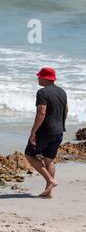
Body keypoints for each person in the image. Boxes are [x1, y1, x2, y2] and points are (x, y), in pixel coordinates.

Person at [26, 66, 68, 199]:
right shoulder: (62, 92)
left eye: (39, 76)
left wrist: (33, 132)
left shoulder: (42, 93)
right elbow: (66, 110)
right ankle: (48, 191)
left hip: (45, 131)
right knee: (49, 160)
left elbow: (41, 112)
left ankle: (50, 181)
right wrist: (61, 125)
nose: (38, 78)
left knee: (29, 155)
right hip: (58, 131)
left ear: (46, 78)